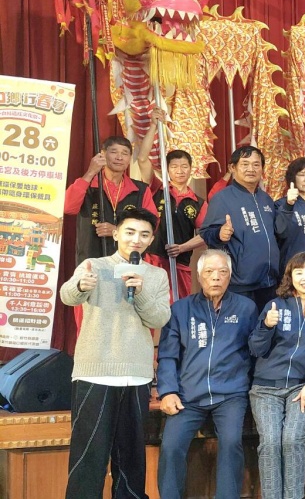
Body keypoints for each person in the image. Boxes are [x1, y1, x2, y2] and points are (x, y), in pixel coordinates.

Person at [58, 208, 170, 499]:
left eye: (144, 234)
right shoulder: (94, 265)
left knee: (131, 458)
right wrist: (80, 285)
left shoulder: (156, 275)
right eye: (130, 232)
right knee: (89, 457)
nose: (136, 239)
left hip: (136, 375)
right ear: (117, 233)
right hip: (95, 372)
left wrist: (140, 292)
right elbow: (67, 296)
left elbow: (159, 318)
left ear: (151, 240)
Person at [157, 249, 257, 499]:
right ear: (199, 276)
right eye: (209, 272)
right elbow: (168, 355)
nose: (216, 277)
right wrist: (168, 391)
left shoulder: (246, 308)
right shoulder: (180, 309)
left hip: (231, 394)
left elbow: (256, 350)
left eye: (222, 272)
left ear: (230, 276)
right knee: (170, 446)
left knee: (231, 443)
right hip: (188, 395)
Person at [249, 252, 305, 499]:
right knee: (270, 442)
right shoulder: (275, 305)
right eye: (299, 272)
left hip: (303, 387)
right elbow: (255, 348)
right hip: (265, 388)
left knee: (293, 439)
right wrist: (266, 326)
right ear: (290, 276)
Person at [200, 146, 280, 309]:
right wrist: (219, 234)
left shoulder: (266, 199)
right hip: (241, 285)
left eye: (256, 164)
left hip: (269, 283)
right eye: (245, 164)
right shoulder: (222, 198)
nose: (251, 169)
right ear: (232, 167)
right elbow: (206, 233)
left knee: (267, 324)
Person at [64, 136, 158, 265]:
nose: (119, 157)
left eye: (125, 153)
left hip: (128, 261)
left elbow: (152, 223)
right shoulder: (87, 184)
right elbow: (68, 208)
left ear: (130, 158)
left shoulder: (140, 189)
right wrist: (91, 172)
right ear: (102, 154)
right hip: (91, 259)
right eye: (114, 152)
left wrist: (117, 231)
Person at [136, 131, 207, 300]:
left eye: (184, 166)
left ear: (191, 169)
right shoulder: (157, 189)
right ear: (167, 169)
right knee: (148, 304)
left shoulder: (198, 202)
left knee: (178, 307)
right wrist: (153, 126)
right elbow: (142, 159)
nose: (180, 171)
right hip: (153, 259)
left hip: (180, 264)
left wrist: (182, 247)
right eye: (174, 167)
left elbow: (206, 234)